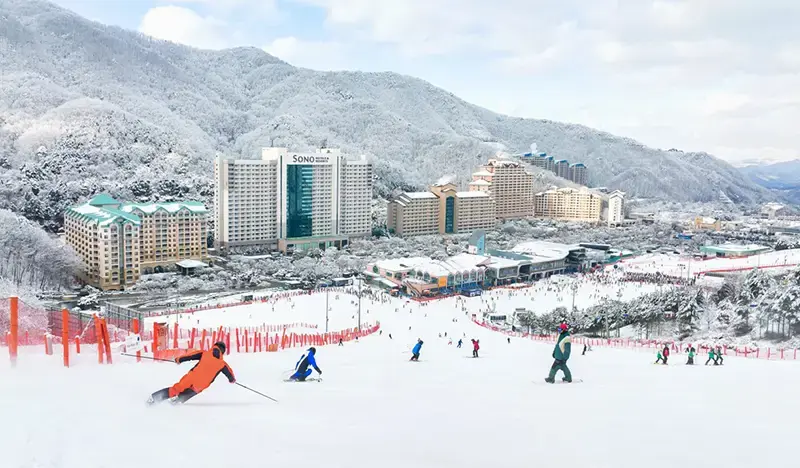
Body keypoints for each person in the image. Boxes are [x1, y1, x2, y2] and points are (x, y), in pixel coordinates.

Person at [147, 341, 235, 405]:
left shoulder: (204, 353)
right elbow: (230, 375)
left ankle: (154, 399)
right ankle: (174, 403)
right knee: (188, 393)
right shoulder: (223, 364)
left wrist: (179, 359)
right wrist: (232, 380)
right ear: (223, 352)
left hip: (192, 377)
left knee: (176, 389)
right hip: (201, 384)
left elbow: (189, 356)